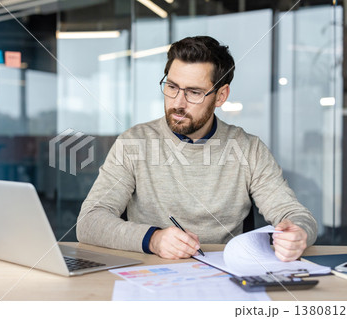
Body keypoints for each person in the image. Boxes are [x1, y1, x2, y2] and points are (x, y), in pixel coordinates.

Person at [76, 36, 317, 262]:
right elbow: (89, 221)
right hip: (149, 275)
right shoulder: (133, 143)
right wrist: (154, 239)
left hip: (225, 277)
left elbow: (295, 214)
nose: (178, 103)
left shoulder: (248, 149)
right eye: (171, 87)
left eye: (193, 92)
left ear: (221, 96)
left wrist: (297, 233)